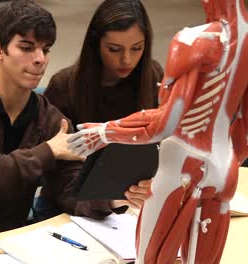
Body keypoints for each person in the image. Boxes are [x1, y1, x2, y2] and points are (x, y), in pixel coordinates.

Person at [0, 0, 137, 239]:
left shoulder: (49, 117)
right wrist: (47, 151)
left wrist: (111, 198)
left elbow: (70, 187)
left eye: (45, 50)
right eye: (26, 48)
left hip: (12, 244)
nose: (40, 59)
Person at [67, 0, 248, 262]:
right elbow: (243, 126)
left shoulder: (194, 40)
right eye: (115, 49)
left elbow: (165, 123)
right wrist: (230, 161)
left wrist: (105, 133)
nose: (126, 58)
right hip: (224, 167)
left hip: (184, 163)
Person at [44, 0, 163, 208]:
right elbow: (59, 176)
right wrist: (110, 202)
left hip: (136, 205)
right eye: (114, 49)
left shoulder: (152, 77)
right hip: (73, 208)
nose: (126, 59)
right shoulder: (64, 86)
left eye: (137, 48)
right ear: (95, 43)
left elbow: (163, 148)